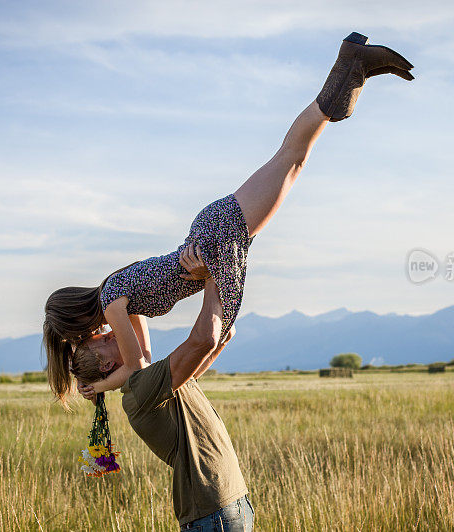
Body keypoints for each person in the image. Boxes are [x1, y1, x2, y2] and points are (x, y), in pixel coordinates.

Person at [43, 31, 414, 402]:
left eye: (81, 337)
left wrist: (100, 385)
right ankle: (353, 73)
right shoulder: (118, 296)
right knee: (292, 161)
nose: (93, 338)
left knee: (290, 158)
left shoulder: (113, 300)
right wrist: (92, 380)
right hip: (209, 236)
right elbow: (147, 361)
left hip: (213, 237)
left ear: (81, 321)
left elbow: (138, 369)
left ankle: (351, 67)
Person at [73, 277, 253, 532]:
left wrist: (222, 340)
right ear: (105, 366)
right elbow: (202, 340)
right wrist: (213, 276)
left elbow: (194, 370)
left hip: (229, 505)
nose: (112, 333)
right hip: (213, 513)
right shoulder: (140, 390)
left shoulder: (147, 381)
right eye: (103, 341)